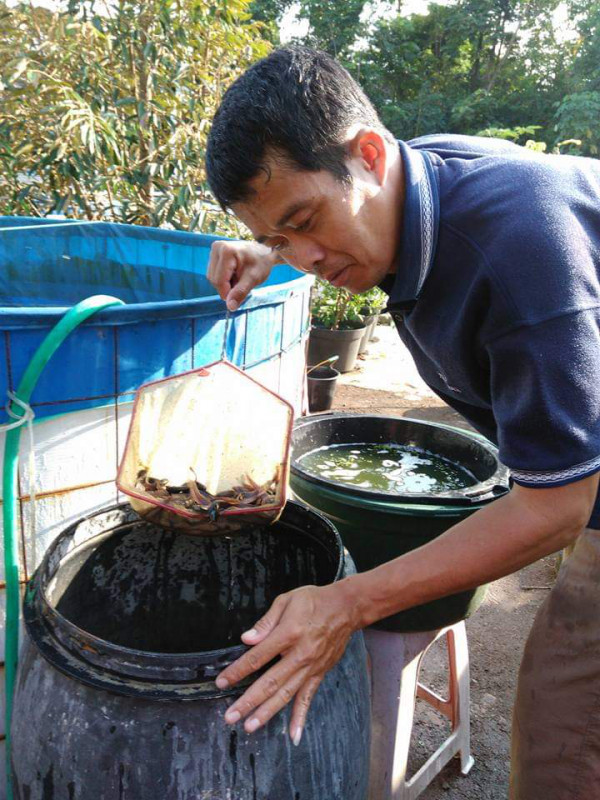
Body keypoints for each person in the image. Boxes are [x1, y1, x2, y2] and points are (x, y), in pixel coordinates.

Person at [204, 45, 600, 799]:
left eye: (304, 221)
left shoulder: (517, 252)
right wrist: (272, 251)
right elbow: (342, 214)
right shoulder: (418, 187)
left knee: (560, 740)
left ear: (371, 154)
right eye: (284, 238)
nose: (309, 257)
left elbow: (558, 506)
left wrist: (348, 604)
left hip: (581, 493)